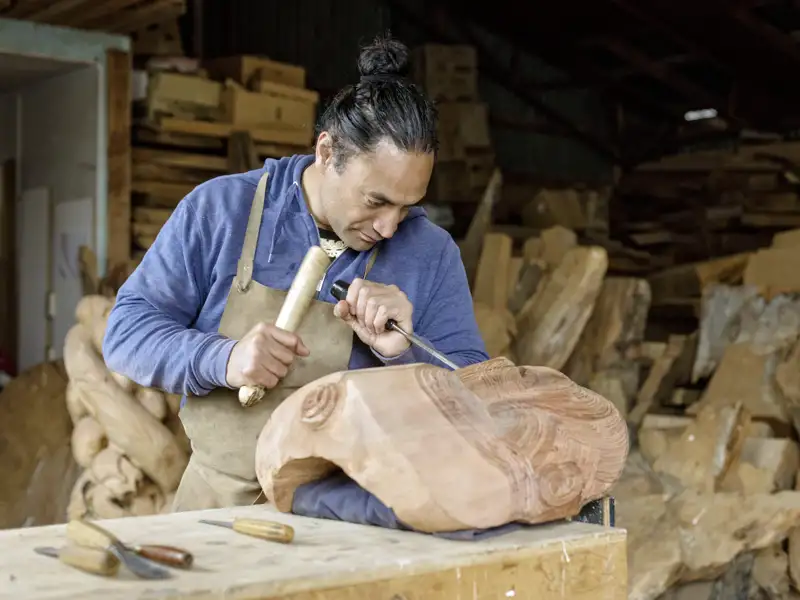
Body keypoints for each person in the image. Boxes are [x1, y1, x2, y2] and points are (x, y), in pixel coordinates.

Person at [102, 33, 490, 512]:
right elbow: (125, 334)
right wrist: (221, 360)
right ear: (326, 153)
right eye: (377, 201)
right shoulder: (221, 210)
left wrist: (404, 354)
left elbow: (475, 391)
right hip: (218, 513)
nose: (390, 226)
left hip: (352, 520)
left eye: (408, 206)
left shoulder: (429, 253)